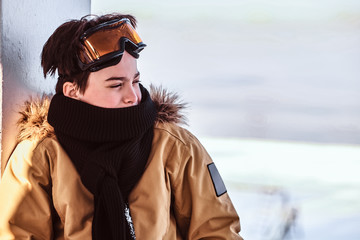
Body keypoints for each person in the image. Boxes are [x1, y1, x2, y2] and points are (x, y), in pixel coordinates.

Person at [0, 13, 242, 239]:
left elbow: (218, 230)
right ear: (72, 91)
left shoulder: (175, 146)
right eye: (116, 85)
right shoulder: (39, 155)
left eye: (135, 81)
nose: (132, 96)